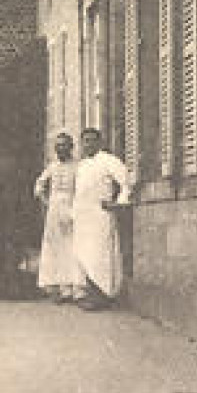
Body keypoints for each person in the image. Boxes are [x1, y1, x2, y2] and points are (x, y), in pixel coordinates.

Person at [72, 128, 132, 311]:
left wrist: (118, 202)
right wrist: (74, 214)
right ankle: (91, 294)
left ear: (100, 143)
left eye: (92, 140)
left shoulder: (109, 160)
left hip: (100, 214)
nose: (88, 144)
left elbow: (126, 182)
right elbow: (79, 193)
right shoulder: (81, 165)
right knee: (84, 254)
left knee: (100, 255)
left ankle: (103, 295)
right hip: (83, 216)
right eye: (85, 141)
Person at [33, 132, 82, 302]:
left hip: (71, 207)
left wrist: (74, 208)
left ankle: (73, 289)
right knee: (55, 248)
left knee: (71, 247)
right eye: (58, 146)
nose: (61, 149)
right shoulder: (52, 167)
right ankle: (58, 288)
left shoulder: (78, 166)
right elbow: (39, 184)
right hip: (54, 209)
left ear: (71, 147)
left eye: (64, 145)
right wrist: (46, 201)